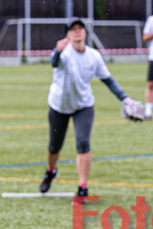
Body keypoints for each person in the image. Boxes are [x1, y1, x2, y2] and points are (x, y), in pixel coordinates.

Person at [38, 19, 143, 204]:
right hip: (59, 106)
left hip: (83, 106)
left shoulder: (93, 56)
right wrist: (57, 51)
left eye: (80, 28)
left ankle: (83, 188)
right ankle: (51, 171)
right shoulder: (63, 52)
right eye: (73, 29)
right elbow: (54, 62)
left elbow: (108, 79)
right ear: (67, 34)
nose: (77, 31)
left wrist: (124, 98)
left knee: (83, 143)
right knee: (54, 147)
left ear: (85, 32)